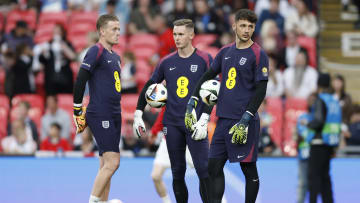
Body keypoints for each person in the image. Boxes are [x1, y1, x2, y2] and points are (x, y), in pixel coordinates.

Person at [186, 9, 269, 203]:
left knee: (248, 169)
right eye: (243, 25)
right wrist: (193, 100)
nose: (247, 30)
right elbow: (207, 77)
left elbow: (261, 89)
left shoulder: (258, 54)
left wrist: (246, 119)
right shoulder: (225, 52)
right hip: (223, 120)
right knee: (212, 167)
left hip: (243, 121)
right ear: (234, 26)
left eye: (250, 26)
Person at [133, 19, 213, 203]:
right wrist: (138, 112)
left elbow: (212, 91)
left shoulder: (204, 59)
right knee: (178, 173)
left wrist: (204, 119)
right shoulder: (166, 62)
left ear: (191, 35)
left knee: (203, 171)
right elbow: (149, 85)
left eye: (181, 34)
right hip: (172, 124)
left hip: (195, 123)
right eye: (175, 34)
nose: (176, 38)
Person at [73, 14, 122, 203]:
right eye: (114, 29)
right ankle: (92, 201)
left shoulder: (116, 57)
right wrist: (78, 109)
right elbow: (80, 79)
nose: (118, 33)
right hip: (100, 111)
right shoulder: (96, 51)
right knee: (113, 162)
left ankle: (102, 201)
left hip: (114, 112)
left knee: (105, 164)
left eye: (119, 29)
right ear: (102, 31)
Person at [306, 73, 342, 203]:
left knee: (314, 177)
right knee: (325, 177)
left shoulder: (320, 99)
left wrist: (307, 124)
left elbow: (319, 120)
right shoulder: (335, 101)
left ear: (318, 84)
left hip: (318, 142)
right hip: (330, 143)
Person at [150, 108, 195, 203]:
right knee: (156, 175)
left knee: (207, 174)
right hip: (169, 139)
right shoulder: (169, 94)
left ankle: (219, 200)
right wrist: (154, 131)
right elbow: (164, 112)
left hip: (190, 140)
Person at [296, 93, 316, 203]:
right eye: (309, 99)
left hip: (315, 155)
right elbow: (301, 135)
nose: (311, 102)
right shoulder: (302, 117)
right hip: (303, 154)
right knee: (303, 183)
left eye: (313, 100)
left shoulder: (318, 118)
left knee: (314, 183)